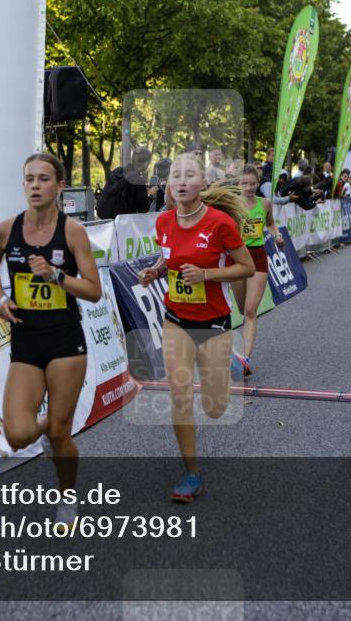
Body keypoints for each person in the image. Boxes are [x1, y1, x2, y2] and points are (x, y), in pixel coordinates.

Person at [0, 153, 102, 532]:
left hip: (65, 341)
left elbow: (94, 291)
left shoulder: (73, 232)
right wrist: (1, 299)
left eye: (44, 179)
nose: (35, 186)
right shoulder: (5, 230)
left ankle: (67, 498)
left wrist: (56, 276)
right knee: (17, 434)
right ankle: (55, 422)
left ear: (60, 186)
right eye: (29, 179)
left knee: (59, 435)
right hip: (26, 341)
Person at [137, 153, 254, 502]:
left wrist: (206, 274)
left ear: (202, 183)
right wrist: (156, 270)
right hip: (176, 319)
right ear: (168, 183)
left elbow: (246, 267)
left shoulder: (220, 223)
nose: (182, 181)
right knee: (180, 395)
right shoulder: (163, 222)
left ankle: (227, 360)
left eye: (190, 175)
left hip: (213, 322)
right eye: (176, 175)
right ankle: (191, 473)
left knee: (216, 407)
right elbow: (168, 255)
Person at [231, 165, 282, 376]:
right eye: (244, 183)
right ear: (238, 184)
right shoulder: (231, 205)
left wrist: (277, 235)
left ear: (258, 183)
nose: (249, 187)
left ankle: (245, 359)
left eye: (252, 183)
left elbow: (271, 223)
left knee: (251, 311)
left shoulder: (265, 203)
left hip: (257, 256)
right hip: (236, 257)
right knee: (242, 308)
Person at [95, 146, 153, 220]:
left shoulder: (117, 171)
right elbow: (143, 209)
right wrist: (151, 195)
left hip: (106, 219)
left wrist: (142, 191)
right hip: (123, 223)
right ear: (146, 163)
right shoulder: (138, 180)